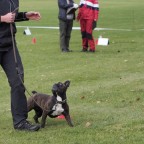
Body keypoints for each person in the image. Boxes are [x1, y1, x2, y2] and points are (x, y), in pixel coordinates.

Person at [0, 0, 41, 131]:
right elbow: (5, 17)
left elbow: (11, 16)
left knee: (18, 82)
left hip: (8, 45)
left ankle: (20, 122)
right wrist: (2, 18)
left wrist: (25, 15)